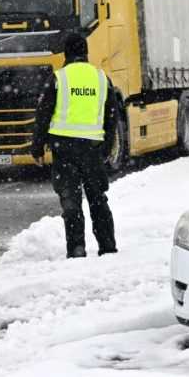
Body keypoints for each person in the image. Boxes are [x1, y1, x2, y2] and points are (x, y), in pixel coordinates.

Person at [31, 34, 119, 258]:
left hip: (64, 149)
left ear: (65, 53)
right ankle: (107, 247)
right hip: (93, 150)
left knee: (71, 202)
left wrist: (37, 147)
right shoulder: (101, 78)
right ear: (87, 52)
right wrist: (108, 147)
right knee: (98, 200)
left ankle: (77, 249)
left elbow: (43, 114)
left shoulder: (59, 78)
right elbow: (112, 116)